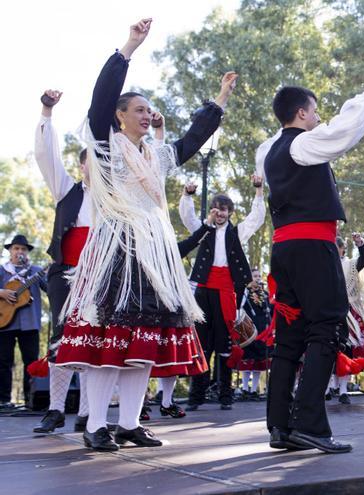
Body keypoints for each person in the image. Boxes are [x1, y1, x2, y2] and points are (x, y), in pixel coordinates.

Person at [55, 19, 235, 451]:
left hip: (154, 254)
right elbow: (99, 102)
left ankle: (130, 422)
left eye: (147, 109)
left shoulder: (155, 155)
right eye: (138, 109)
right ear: (119, 117)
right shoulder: (103, 146)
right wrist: (129, 48)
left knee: (143, 339)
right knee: (109, 338)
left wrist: (220, 100)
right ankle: (97, 424)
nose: (146, 114)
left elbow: (191, 140)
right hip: (117, 246)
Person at [259, 53, 364, 454]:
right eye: (314, 111)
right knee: (328, 326)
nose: (319, 118)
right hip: (312, 247)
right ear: (301, 113)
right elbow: (346, 128)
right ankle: (311, 425)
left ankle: (281, 427)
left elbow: (339, 125)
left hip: (283, 249)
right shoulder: (303, 144)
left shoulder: (269, 151)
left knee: (290, 337)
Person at [31, 90, 92, 433]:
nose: (93, 168)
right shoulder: (67, 190)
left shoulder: (116, 200)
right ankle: (55, 409)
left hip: (99, 278)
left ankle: (87, 413)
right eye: (88, 162)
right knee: (62, 338)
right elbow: (46, 155)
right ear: (82, 165)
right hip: (65, 273)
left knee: (92, 341)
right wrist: (47, 112)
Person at [179, 177, 266, 411]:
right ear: (212, 211)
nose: (220, 213)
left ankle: (225, 395)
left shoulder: (237, 233)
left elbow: (256, 218)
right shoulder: (203, 230)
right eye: (216, 209)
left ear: (230, 213)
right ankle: (196, 396)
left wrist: (259, 191)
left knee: (225, 343)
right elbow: (187, 216)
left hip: (228, 291)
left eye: (224, 210)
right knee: (203, 343)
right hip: (204, 289)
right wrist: (188, 195)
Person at [0, 235, 47, 409]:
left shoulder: (35, 270)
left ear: (27, 253)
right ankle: (4, 400)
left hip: (30, 323)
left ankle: (31, 399)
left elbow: (49, 289)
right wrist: (2, 292)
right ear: (10, 251)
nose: (19, 252)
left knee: (31, 362)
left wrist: (50, 275)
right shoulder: (2, 270)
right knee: (3, 362)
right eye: (16, 248)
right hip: (4, 323)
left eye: (23, 249)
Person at [329, 233, 364, 404]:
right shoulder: (323, 266)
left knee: (346, 349)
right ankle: (326, 388)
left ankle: (343, 390)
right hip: (328, 312)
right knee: (327, 349)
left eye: (337, 248)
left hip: (348, 313)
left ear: (342, 249)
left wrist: (360, 244)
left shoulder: (350, 265)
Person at [239, 269, 272, 400]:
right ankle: (245, 389)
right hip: (248, 330)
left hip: (262, 330)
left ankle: (254, 390)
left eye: (259, 276)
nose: (257, 278)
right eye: (255, 276)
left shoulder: (265, 294)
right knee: (247, 359)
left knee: (259, 361)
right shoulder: (245, 293)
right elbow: (240, 307)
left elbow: (269, 311)